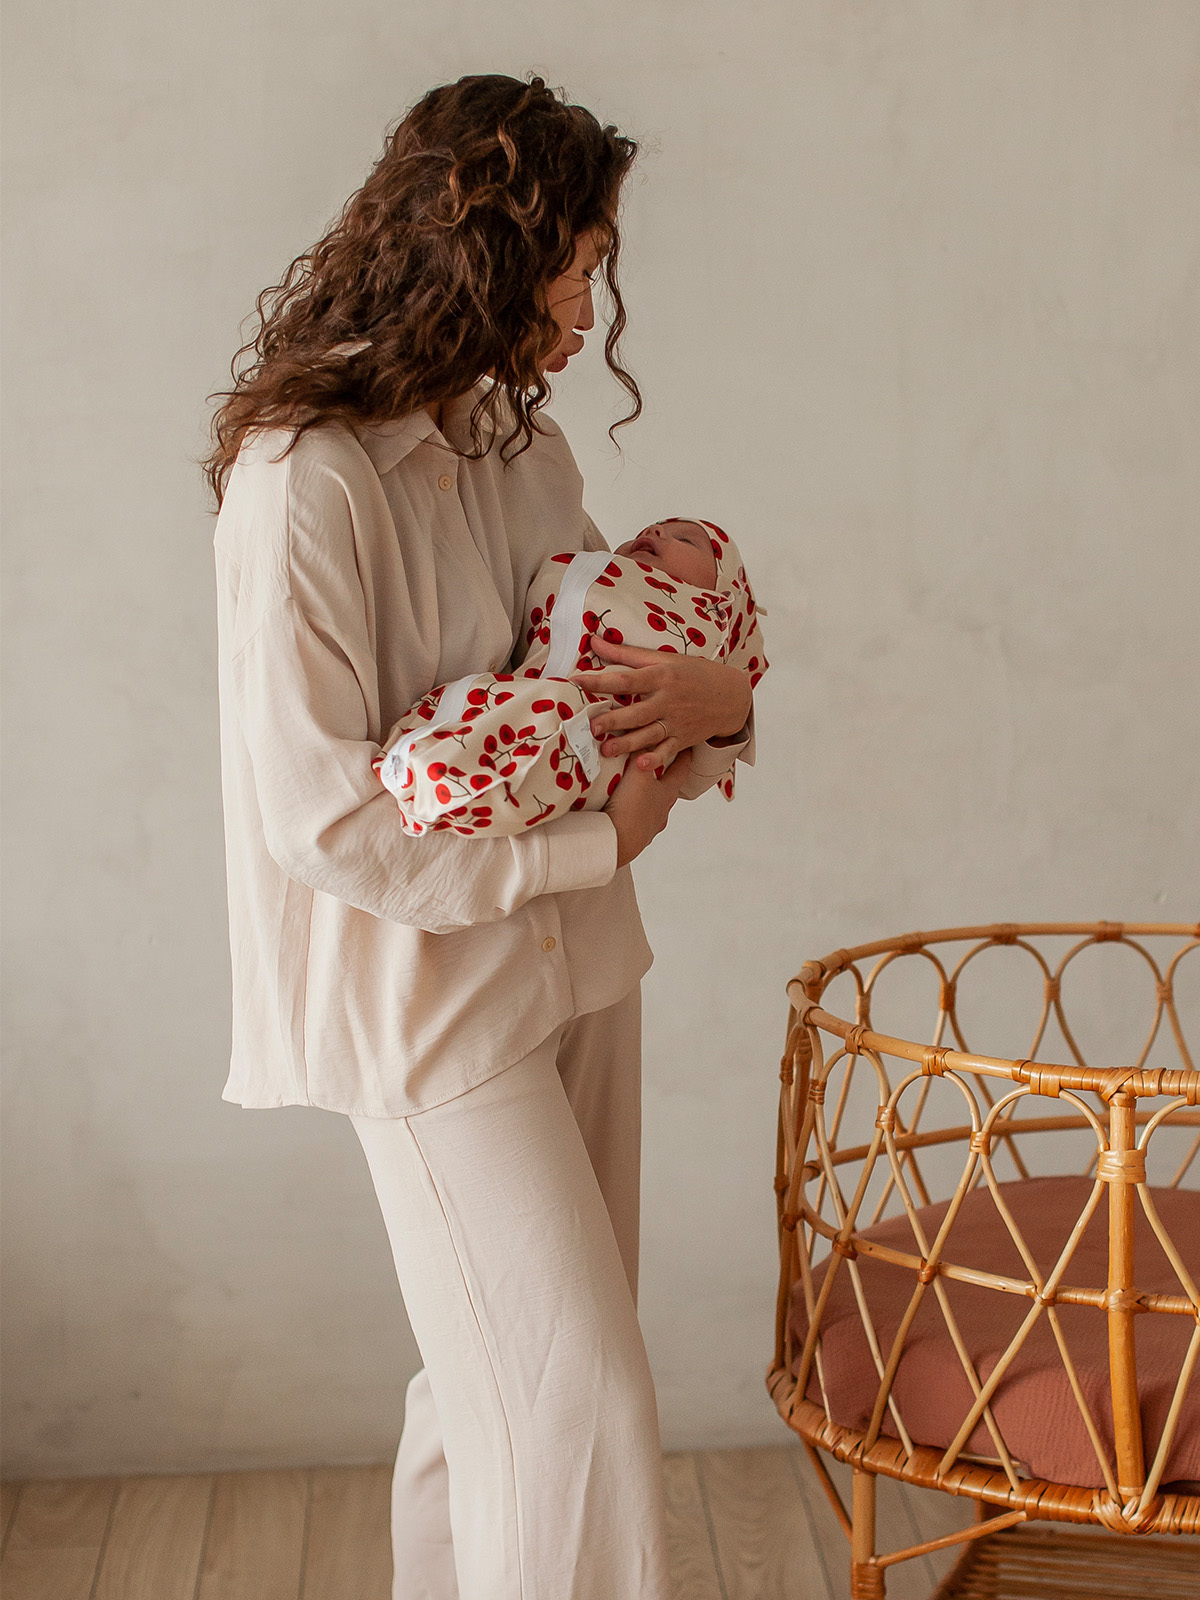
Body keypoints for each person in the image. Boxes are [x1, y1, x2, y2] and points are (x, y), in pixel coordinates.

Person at [206, 74, 756, 1600]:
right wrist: (593, 850)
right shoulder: (302, 485)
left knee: (495, 1392)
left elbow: (613, 671)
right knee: (576, 1406)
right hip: (429, 1002)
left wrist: (724, 705)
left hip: (582, 966)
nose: (589, 307)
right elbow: (323, 816)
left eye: (597, 266)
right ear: (487, 256)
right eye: (574, 265)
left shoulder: (523, 450)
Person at [373, 517, 768, 835]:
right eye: (652, 528)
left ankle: (445, 790)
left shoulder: (703, 635)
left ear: (722, 598)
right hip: (528, 693)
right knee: (479, 701)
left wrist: (732, 700)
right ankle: (417, 766)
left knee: (557, 727)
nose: (655, 530)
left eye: (686, 540)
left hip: (599, 738)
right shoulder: (596, 567)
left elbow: (688, 767)